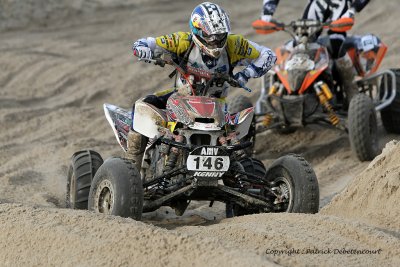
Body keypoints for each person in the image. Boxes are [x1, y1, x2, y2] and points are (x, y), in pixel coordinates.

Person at [127, 2, 277, 168]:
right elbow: (145, 43)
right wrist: (144, 50)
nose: (215, 41)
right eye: (210, 37)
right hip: (181, 97)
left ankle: (237, 171)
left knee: (239, 133)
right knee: (141, 108)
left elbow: (268, 55)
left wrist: (245, 75)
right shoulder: (182, 41)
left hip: (217, 106)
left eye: (220, 36)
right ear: (197, 31)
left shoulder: (234, 44)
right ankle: (132, 166)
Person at [261, 0, 370, 101]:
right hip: (318, 4)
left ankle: (352, 94)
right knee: (295, 45)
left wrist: (353, 9)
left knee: (336, 44)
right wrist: (267, 12)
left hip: (341, 5)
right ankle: (272, 97)